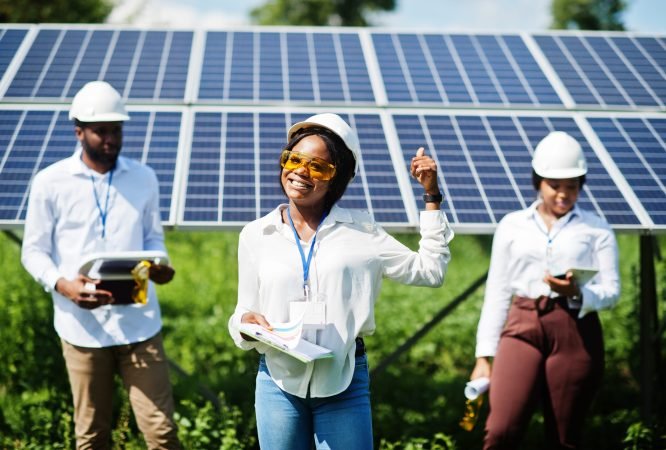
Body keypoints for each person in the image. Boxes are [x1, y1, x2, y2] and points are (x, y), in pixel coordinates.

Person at [227, 113, 454, 449]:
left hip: (343, 381)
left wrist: (432, 197)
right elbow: (243, 310)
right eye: (294, 159)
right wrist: (244, 322)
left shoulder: (363, 232)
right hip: (277, 381)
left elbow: (431, 271)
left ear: (339, 177)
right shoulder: (256, 234)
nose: (301, 172)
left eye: (318, 167)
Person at [21, 80, 181, 449]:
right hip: (81, 329)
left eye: (117, 130)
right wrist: (64, 286)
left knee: (161, 433)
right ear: (79, 132)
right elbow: (33, 251)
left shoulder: (144, 178)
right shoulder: (50, 182)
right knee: (91, 436)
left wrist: (160, 264)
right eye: (101, 131)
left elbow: (153, 239)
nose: (110, 139)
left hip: (140, 325)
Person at [470, 131, 621, 449]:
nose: (564, 194)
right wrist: (484, 356)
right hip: (523, 322)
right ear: (538, 182)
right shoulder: (513, 225)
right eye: (555, 186)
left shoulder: (596, 229)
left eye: (572, 186)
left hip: (575, 329)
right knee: (501, 431)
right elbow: (497, 291)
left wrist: (577, 294)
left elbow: (612, 291)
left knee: (565, 438)